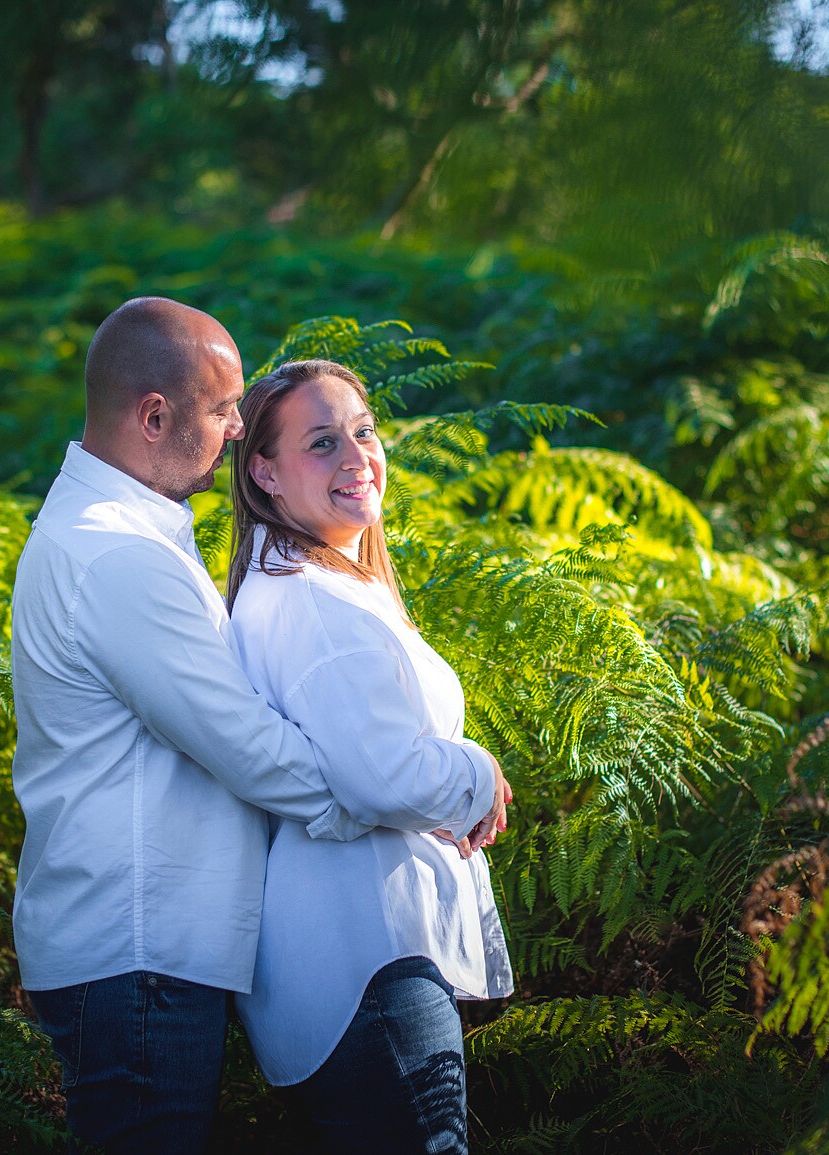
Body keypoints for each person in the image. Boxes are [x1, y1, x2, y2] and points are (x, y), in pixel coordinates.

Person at [10, 298, 510, 1154]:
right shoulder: (116, 553)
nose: (238, 429)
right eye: (221, 409)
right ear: (153, 415)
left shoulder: (120, 534)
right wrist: (404, 791)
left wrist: (396, 784)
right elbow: (253, 753)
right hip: (138, 953)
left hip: (148, 949)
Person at [225, 358, 516, 1154]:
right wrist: (477, 775)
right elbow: (380, 772)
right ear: (265, 472)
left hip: (367, 958)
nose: (356, 456)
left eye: (363, 431)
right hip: (367, 960)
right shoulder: (308, 598)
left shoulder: (310, 581)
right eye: (321, 442)